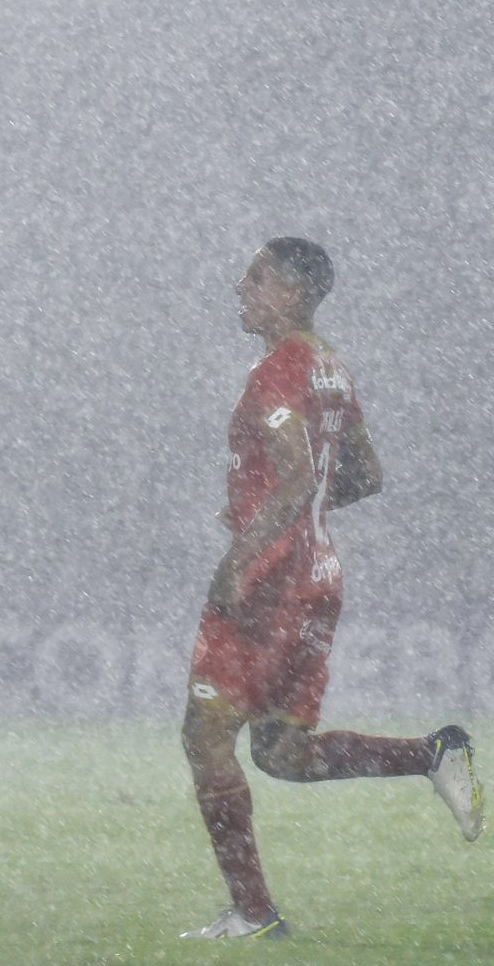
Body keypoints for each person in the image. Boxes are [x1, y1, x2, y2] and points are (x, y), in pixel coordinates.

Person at [180, 238, 485, 940]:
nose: (240, 287)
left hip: (271, 581)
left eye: (256, 278)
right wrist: (301, 512)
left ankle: (253, 914)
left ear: (291, 292)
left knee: (205, 735)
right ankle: (432, 753)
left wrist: (243, 553)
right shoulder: (331, 368)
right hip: (318, 576)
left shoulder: (276, 371)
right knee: (282, 752)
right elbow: (364, 474)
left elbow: (292, 477)